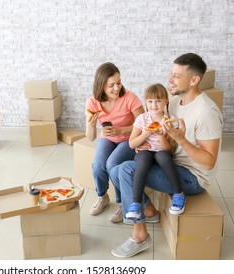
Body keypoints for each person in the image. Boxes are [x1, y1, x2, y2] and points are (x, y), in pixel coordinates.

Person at [109, 53, 223, 258]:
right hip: (170, 160)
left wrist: (179, 139)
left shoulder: (206, 112)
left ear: (194, 80)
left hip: (192, 176)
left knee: (125, 170)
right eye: (171, 73)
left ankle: (140, 235)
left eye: (176, 75)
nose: (170, 79)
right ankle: (149, 211)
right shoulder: (176, 101)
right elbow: (156, 125)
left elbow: (209, 161)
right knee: (115, 168)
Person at [85, 62, 144, 217]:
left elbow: (145, 124)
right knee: (98, 165)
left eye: (119, 83)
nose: (116, 88)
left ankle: (122, 203)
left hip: (128, 139)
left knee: (112, 164)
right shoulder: (92, 102)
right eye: (111, 85)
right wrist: (91, 125)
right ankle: (102, 197)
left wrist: (121, 130)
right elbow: (90, 138)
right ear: (101, 85)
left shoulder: (129, 97)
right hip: (108, 138)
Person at [126, 83, 185, 221]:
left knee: (163, 156)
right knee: (144, 158)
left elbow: (167, 149)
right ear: (146, 102)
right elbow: (131, 143)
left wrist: (160, 135)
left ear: (166, 101)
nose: (154, 105)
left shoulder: (170, 121)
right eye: (150, 101)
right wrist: (146, 134)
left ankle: (179, 193)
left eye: (158, 101)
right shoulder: (142, 119)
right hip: (144, 152)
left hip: (161, 152)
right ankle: (135, 203)